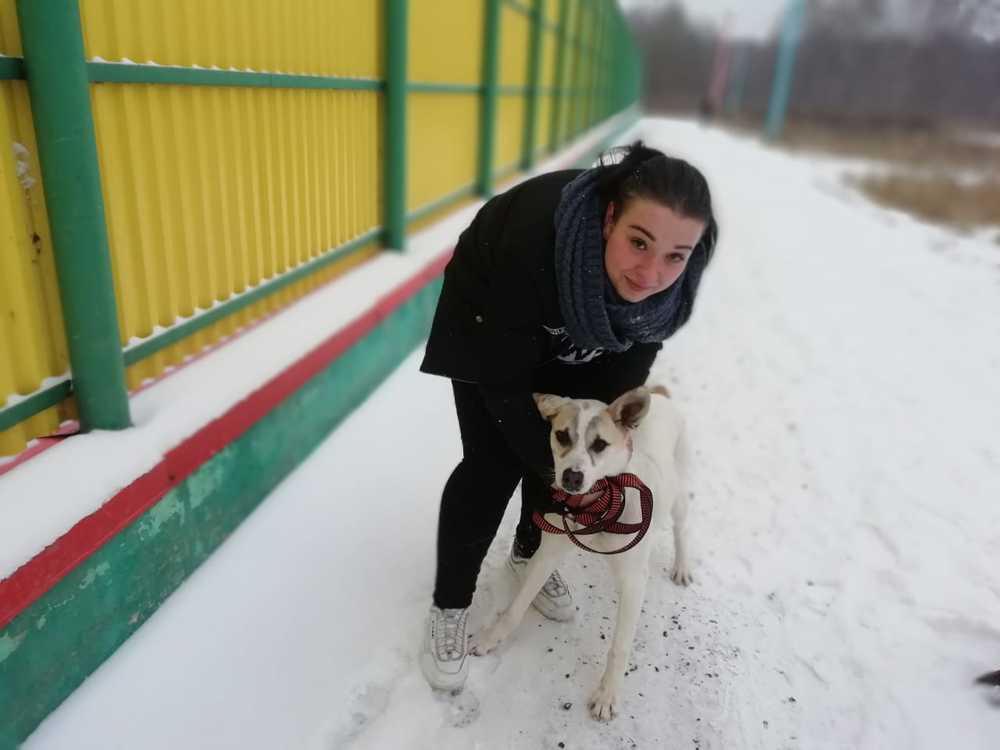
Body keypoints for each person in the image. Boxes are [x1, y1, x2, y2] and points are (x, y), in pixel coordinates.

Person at [418, 141, 718, 690]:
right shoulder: (533, 236)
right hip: (495, 308)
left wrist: (595, 467)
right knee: (493, 463)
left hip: (592, 330)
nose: (652, 273)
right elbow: (505, 387)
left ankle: (530, 552)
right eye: (639, 242)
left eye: (676, 255)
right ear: (609, 219)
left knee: (576, 445)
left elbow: (626, 386)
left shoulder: (667, 289)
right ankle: (450, 604)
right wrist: (553, 467)